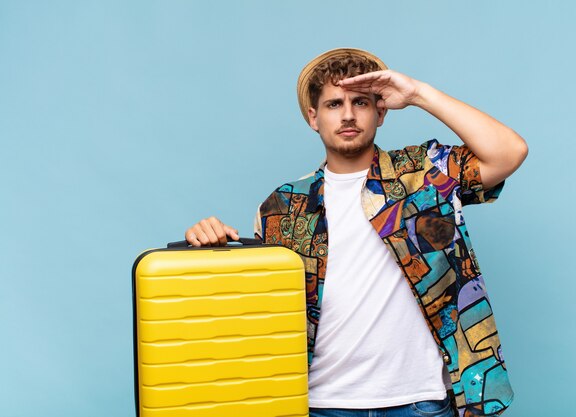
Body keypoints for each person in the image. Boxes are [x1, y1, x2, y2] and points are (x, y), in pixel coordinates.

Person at [185, 48, 528, 417]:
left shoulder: (425, 174)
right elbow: (256, 313)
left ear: (381, 111)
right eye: (334, 104)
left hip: (420, 401)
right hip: (318, 404)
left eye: (360, 102)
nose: (348, 115)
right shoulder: (281, 207)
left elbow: (509, 152)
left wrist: (417, 93)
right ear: (313, 118)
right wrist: (212, 245)